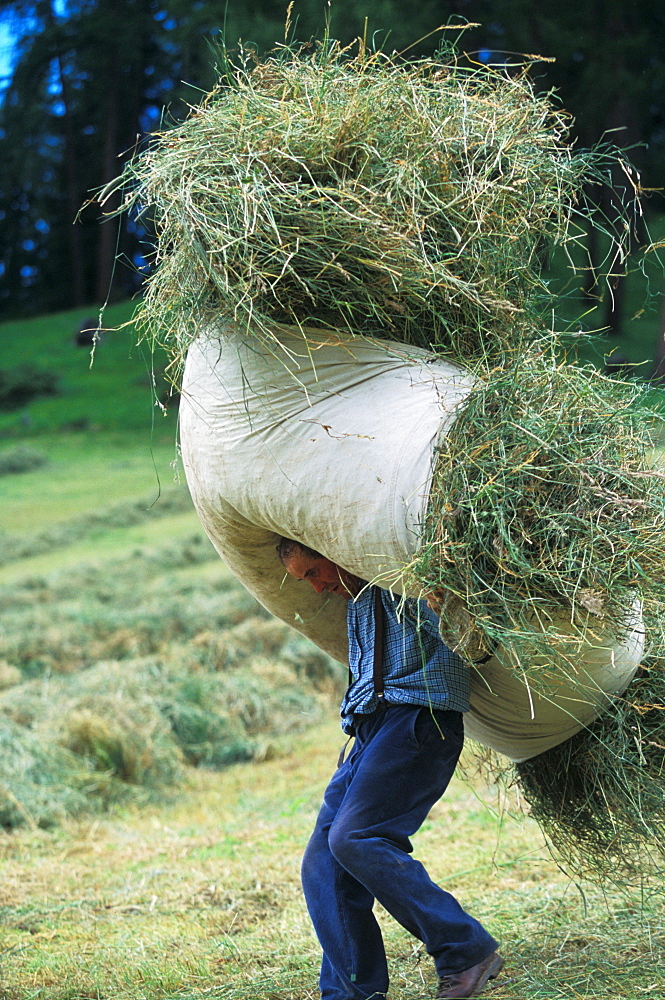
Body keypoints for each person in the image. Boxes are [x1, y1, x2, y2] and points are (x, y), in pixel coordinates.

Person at [278, 538, 503, 1000]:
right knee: (322, 863)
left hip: (420, 718)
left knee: (356, 837)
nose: (318, 587)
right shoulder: (355, 599)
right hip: (367, 733)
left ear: (333, 549)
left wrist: (448, 602)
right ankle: (350, 994)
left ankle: (465, 950)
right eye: (307, 581)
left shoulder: (406, 575)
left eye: (315, 571)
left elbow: (475, 639)